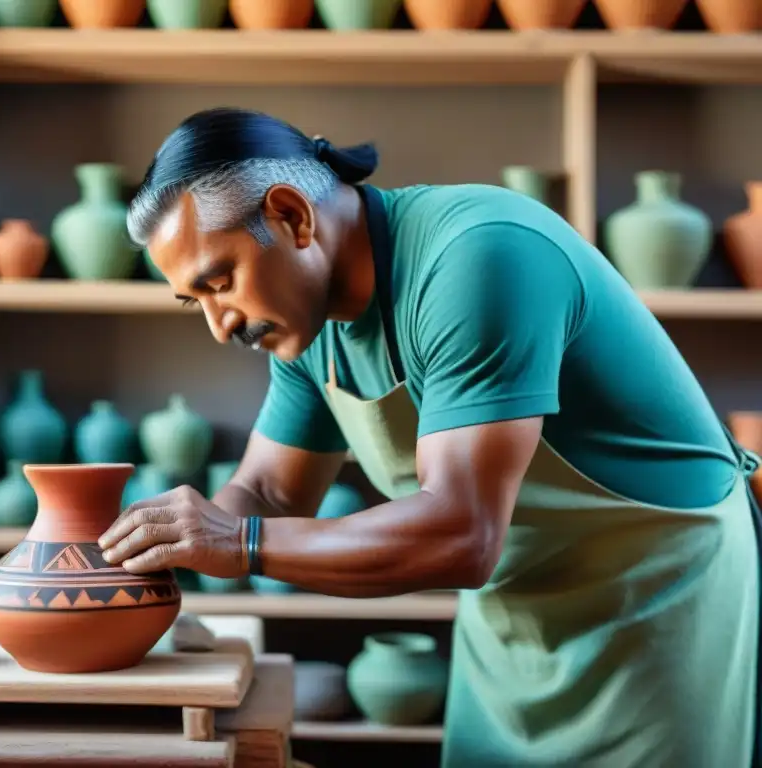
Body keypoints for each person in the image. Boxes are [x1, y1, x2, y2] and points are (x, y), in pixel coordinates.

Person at [97, 106, 761, 767]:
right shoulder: (305, 323)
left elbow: (463, 532)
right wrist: (144, 571)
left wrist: (234, 543)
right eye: (196, 299)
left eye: (220, 283)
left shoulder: (478, 257)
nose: (219, 325)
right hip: (516, 617)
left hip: (657, 603)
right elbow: (270, 490)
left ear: (291, 216)